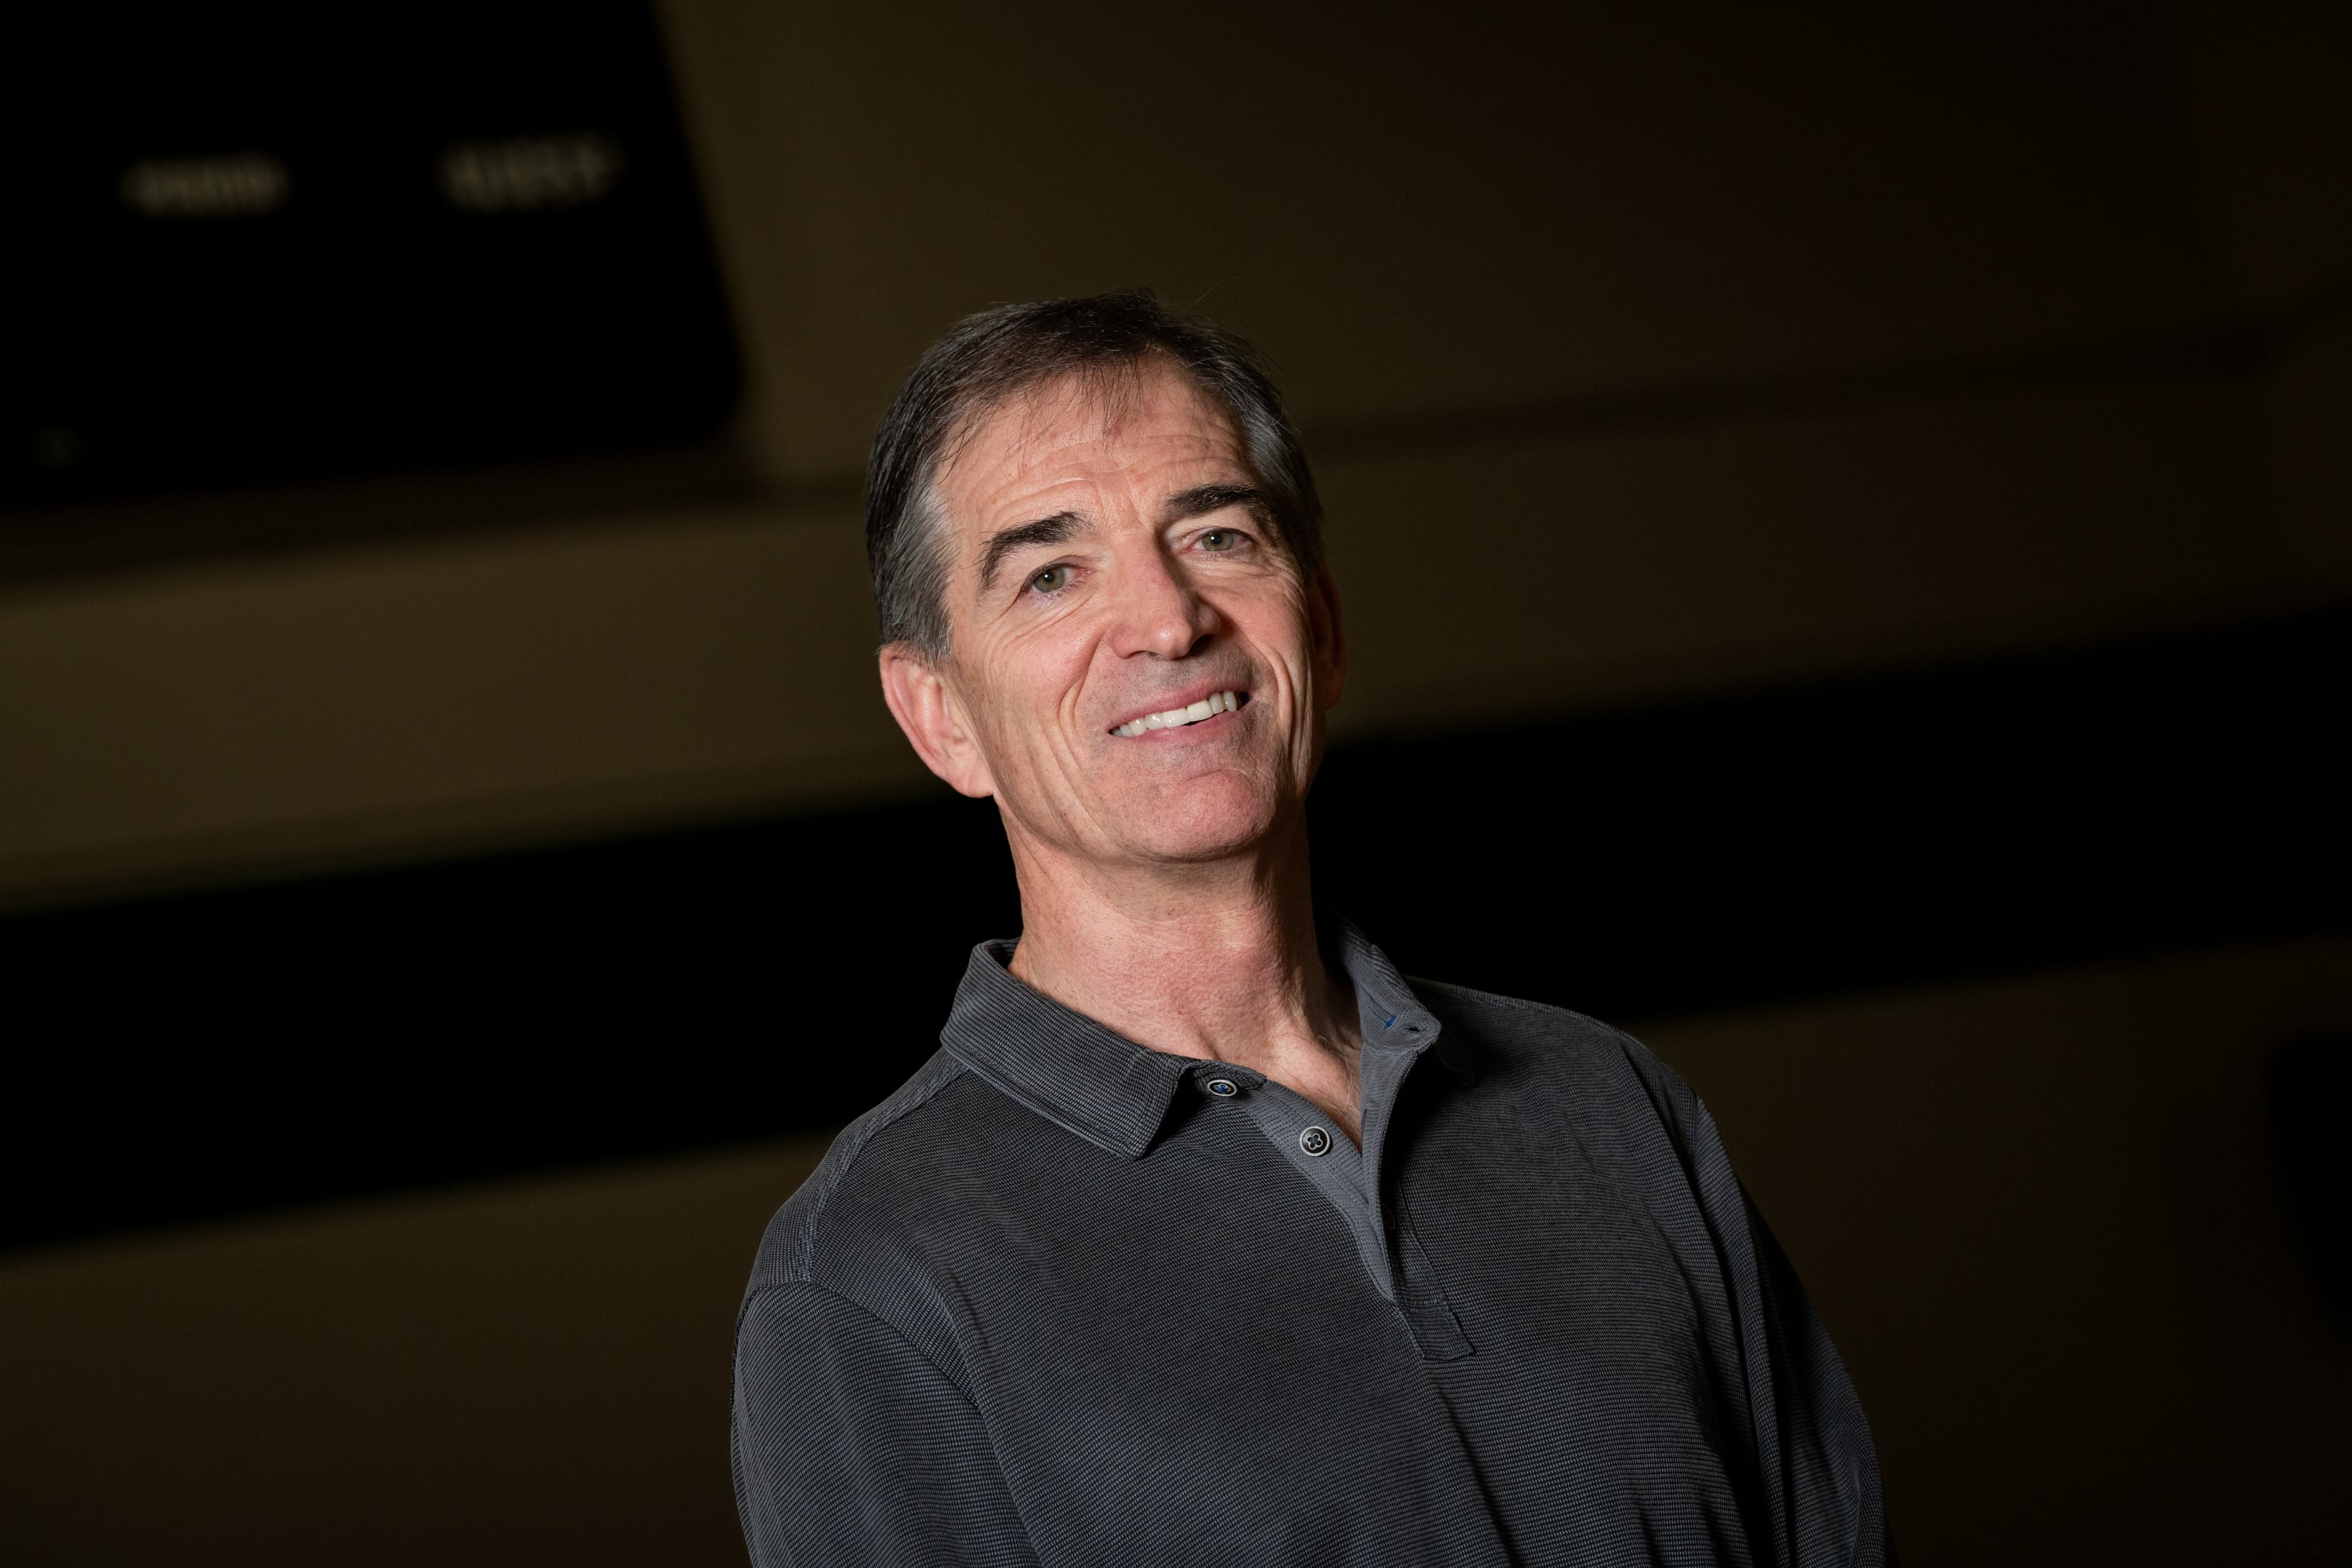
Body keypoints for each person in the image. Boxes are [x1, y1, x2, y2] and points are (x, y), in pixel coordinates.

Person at [731, 290, 1894, 1566]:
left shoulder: (1607, 1106)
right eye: (1054, 574)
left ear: (1322, 630)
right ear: (939, 715)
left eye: (1219, 536)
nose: (1171, 624)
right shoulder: (873, 1275)